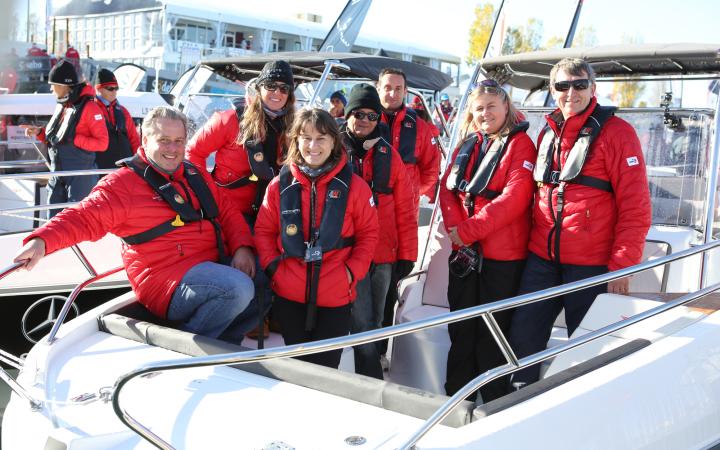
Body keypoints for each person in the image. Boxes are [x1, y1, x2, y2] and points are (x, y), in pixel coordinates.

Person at [13, 106, 259, 344]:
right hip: (165, 279)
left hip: (208, 265)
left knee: (266, 280)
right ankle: (182, 347)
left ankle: (225, 346)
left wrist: (242, 248)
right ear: (146, 139)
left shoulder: (195, 173)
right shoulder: (123, 185)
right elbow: (83, 217)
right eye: (164, 140)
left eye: (179, 141)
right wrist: (41, 241)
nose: (173, 149)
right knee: (237, 288)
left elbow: (227, 211)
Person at [508, 57, 652, 388]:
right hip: (541, 261)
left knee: (590, 350)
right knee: (523, 337)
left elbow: (636, 205)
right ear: (552, 90)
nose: (570, 92)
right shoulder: (547, 132)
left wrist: (622, 266)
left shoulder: (618, 133)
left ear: (592, 88)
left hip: (592, 266)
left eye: (579, 84)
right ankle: (519, 403)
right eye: (562, 85)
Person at [254, 108, 379, 369]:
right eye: (306, 137)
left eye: (321, 138)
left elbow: (369, 235)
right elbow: (264, 231)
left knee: (325, 370)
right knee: (298, 369)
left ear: (334, 141)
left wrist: (350, 272)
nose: (313, 145)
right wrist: (274, 268)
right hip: (289, 292)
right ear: (296, 140)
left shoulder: (356, 187)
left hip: (336, 294)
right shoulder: (279, 186)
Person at [439, 80, 536, 403]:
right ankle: (457, 398)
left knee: (493, 334)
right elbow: (446, 188)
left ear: (506, 107)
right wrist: (457, 231)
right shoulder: (468, 143)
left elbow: (515, 198)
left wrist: (466, 231)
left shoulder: (521, 146)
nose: (485, 113)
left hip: (501, 258)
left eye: (491, 106)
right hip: (465, 255)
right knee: (461, 329)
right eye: (478, 108)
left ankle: (493, 403)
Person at [186, 61, 295, 337]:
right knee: (249, 269)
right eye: (271, 85)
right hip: (231, 212)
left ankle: (271, 313)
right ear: (259, 88)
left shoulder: (293, 127)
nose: (277, 92)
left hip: (272, 212)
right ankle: (250, 320)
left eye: (284, 88)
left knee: (284, 261)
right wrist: (210, 195)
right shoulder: (229, 120)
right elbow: (193, 155)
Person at [340, 83, 417, 379]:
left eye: (372, 116)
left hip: (384, 255)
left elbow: (406, 210)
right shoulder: (333, 151)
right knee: (361, 322)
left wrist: (407, 255)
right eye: (358, 113)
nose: (364, 121)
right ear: (348, 114)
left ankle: (365, 376)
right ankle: (369, 380)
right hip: (348, 253)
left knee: (377, 319)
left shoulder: (390, 156)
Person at [377, 68, 441, 356]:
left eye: (398, 88)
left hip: (401, 219)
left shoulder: (422, 129)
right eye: (387, 87)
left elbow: (431, 169)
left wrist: (409, 195)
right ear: (378, 88)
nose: (392, 93)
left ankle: (379, 350)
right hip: (364, 215)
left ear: (406, 92)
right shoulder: (362, 120)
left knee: (391, 285)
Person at [23, 59, 109, 217]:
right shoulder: (63, 105)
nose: (51, 89)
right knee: (53, 219)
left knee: (77, 219)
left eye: (52, 84)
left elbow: (103, 143)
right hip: (57, 173)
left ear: (63, 85)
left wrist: (77, 140)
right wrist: (39, 133)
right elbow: (57, 138)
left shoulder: (90, 108)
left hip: (79, 177)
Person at [93, 68, 141, 168]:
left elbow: (134, 140)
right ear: (98, 89)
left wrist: (138, 163)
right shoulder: (91, 110)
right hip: (99, 171)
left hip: (123, 170)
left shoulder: (123, 111)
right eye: (110, 88)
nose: (114, 91)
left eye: (116, 88)